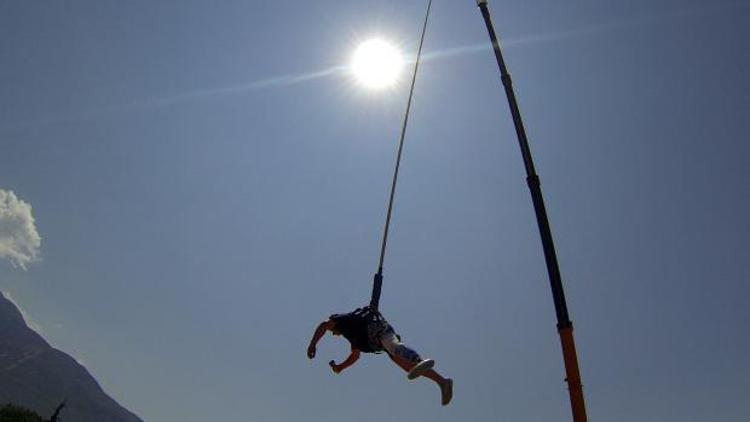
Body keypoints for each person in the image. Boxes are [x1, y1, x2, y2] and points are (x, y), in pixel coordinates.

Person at [307, 306, 453, 406]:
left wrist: (313, 344)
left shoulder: (342, 320)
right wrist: (340, 367)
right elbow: (355, 356)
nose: (333, 333)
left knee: (395, 348)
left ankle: (418, 360)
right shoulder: (351, 335)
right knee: (406, 366)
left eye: (332, 330)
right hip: (380, 341)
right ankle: (442, 382)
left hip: (380, 331)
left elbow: (323, 325)